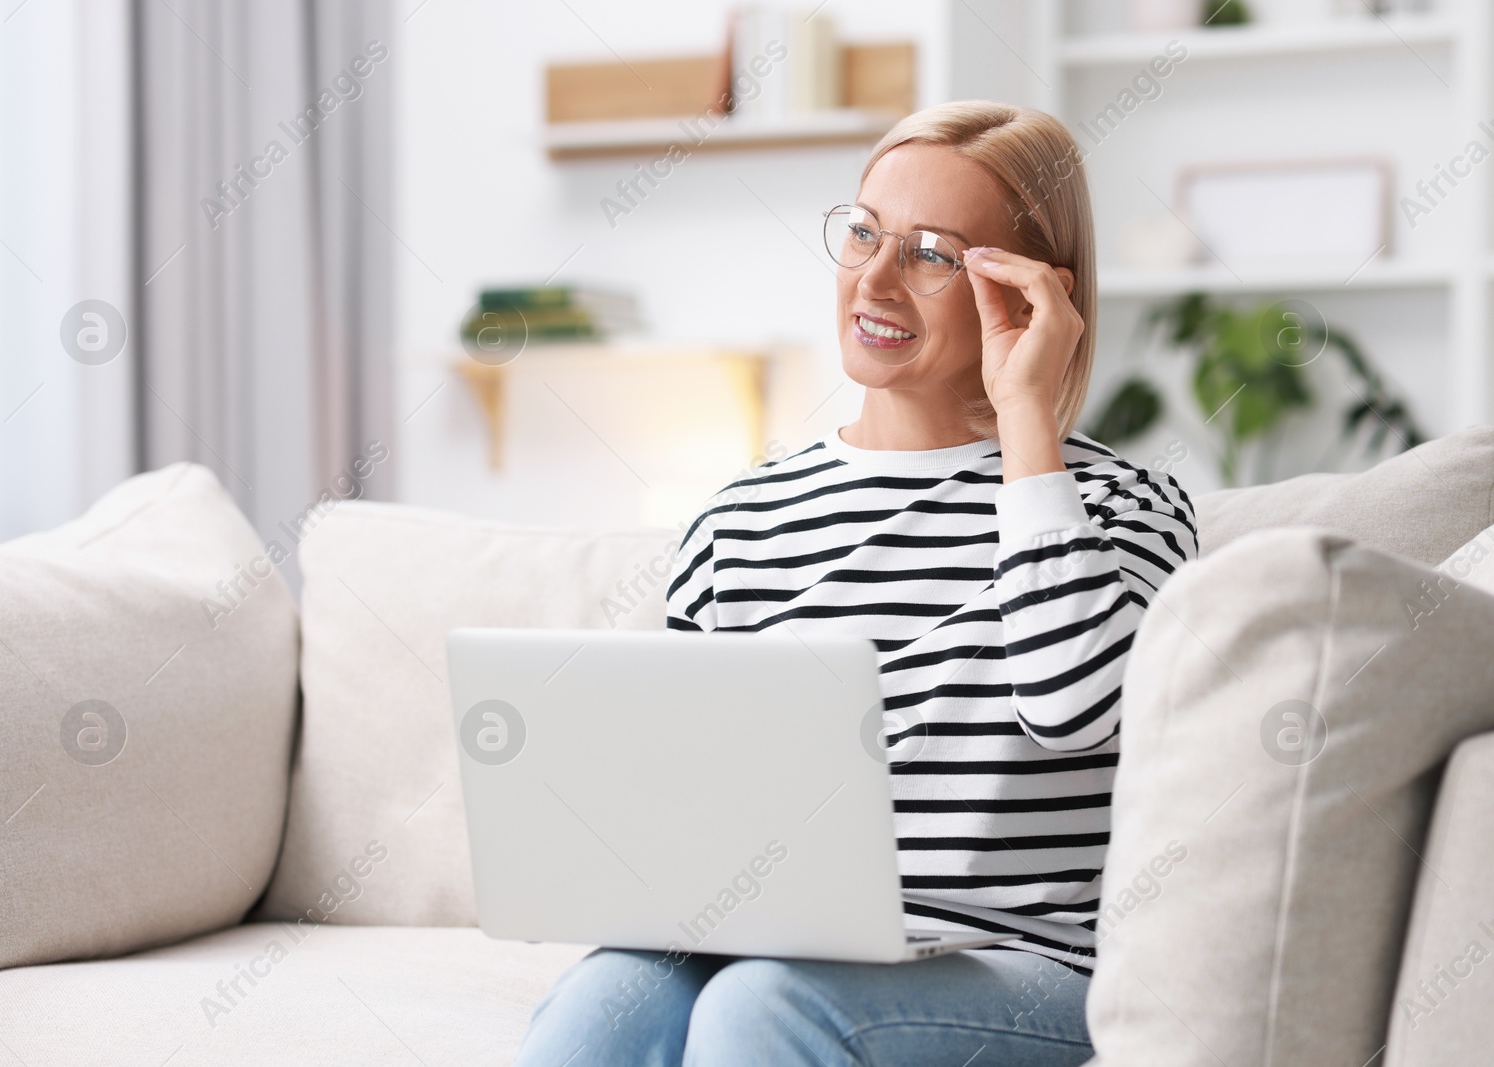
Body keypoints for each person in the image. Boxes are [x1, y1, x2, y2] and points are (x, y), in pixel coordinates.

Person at [513, 100, 1197, 1066]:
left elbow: (1076, 706)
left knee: (766, 1005)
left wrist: (1028, 426)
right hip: (784, 949)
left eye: (930, 253)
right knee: (608, 995)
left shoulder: (1127, 506)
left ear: (1036, 295)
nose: (874, 279)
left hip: (1026, 968)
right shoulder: (739, 521)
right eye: (865, 233)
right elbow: (685, 810)